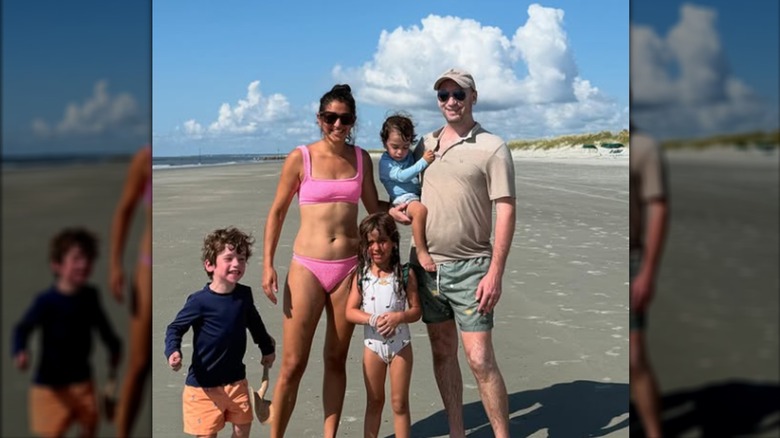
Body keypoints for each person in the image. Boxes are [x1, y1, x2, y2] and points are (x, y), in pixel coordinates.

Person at [261, 84, 397, 437]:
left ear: (353, 121)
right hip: (307, 267)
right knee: (293, 364)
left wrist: (407, 207)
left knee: (336, 359)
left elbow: (373, 207)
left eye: (345, 119)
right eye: (330, 118)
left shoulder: (361, 158)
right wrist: (267, 264)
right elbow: (277, 212)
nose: (337, 125)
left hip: (348, 269)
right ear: (319, 119)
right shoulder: (300, 157)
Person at [406, 68, 516, 438]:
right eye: (444, 95)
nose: (451, 101)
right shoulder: (426, 144)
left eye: (458, 94)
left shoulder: (492, 147)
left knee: (480, 359)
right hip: (426, 268)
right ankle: (457, 431)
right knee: (442, 351)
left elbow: (506, 209)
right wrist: (399, 210)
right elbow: (408, 192)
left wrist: (495, 272)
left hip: (473, 267)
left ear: (473, 97)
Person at [164, 227, 276, 438]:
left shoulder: (243, 295)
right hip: (203, 387)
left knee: (242, 430)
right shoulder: (199, 301)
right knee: (207, 435)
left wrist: (267, 348)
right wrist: (173, 351)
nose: (237, 264)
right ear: (210, 265)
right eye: (229, 258)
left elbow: (255, 324)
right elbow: (175, 328)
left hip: (236, 382)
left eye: (241, 259)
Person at [12, 227, 122, 438]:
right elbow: (22, 328)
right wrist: (20, 351)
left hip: (83, 383)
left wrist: (114, 348)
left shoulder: (90, 297)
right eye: (77, 258)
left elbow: (104, 328)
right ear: (57, 264)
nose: (84, 264)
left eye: (88, 258)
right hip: (49, 388)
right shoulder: (46, 302)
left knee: (89, 430)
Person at [345, 212, 422, 438]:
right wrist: (371, 319)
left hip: (401, 346)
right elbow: (350, 311)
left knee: (399, 403)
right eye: (370, 243)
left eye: (382, 241)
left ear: (394, 242)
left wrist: (399, 317)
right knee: (374, 401)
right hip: (372, 347)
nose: (376, 248)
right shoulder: (361, 275)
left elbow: (416, 310)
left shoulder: (405, 273)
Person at [109, 144, 152, 438]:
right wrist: (115, 264)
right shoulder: (144, 160)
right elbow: (124, 210)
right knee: (139, 364)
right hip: (147, 267)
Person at [629, 127, 669, 438]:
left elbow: (658, 208)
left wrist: (647, 272)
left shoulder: (643, 147)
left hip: (631, 260)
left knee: (634, 357)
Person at [378, 113, 437, 272]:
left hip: (415, 194)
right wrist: (424, 161)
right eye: (395, 147)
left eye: (405, 147)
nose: (400, 152)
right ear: (384, 143)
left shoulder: (408, 155)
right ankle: (421, 251)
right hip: (402, 199)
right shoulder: (386, 163)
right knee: (420, 211)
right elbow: (403, 176)